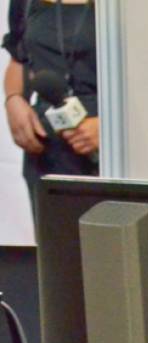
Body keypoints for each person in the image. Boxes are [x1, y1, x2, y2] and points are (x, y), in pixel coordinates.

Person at [3, 0, 100, 221]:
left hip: (106, 154)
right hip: (47, 150)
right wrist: (14, 100)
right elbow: (19, 59)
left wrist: (111, 129)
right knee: (54, 248)